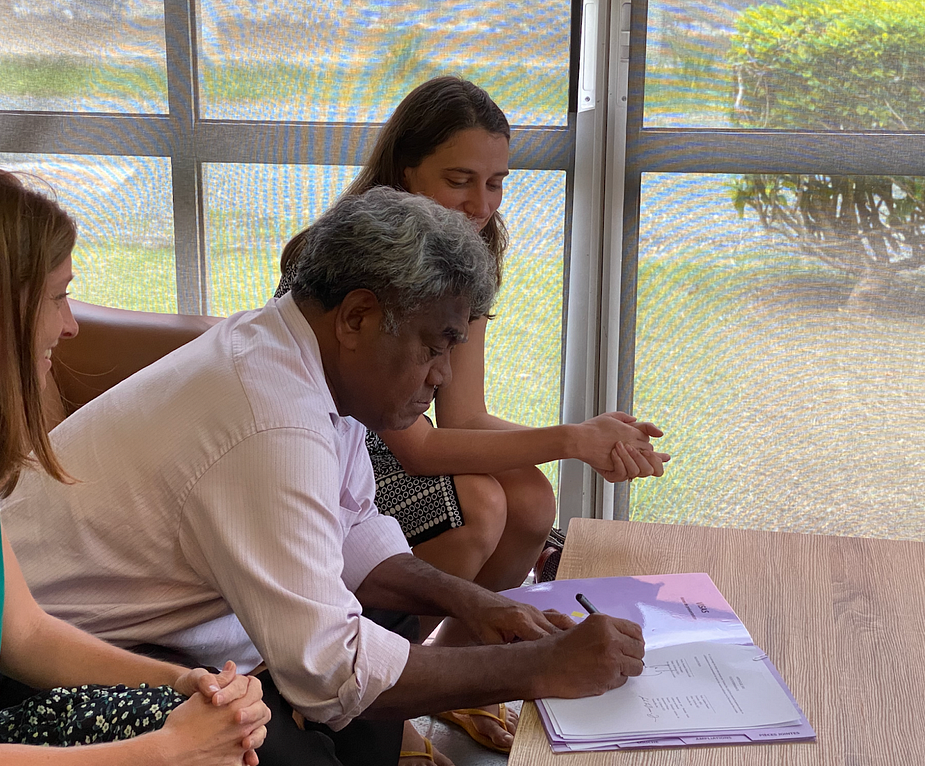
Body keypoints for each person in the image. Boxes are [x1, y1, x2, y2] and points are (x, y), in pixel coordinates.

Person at [2, 187, 647, 766]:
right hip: (47, 660)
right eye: (436, 344)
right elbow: (333, 672)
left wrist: (475, 604)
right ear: (358, 317)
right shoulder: (271, 421)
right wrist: (539, 668)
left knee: (382, 627)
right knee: (304, 729)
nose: (443, 374)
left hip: (144, 635)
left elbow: (356, 532)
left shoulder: (296, 359)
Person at [275, 76, 668, 757]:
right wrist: (573, 440)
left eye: (497, 183)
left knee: (531, 496)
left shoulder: (470, 249)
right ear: (404, 172)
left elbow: (465, 414)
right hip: (334, 447)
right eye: (460, 180)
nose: (480, 205)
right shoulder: (358, 258)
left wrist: (586, 442)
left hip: (394, 441)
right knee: (481, 505)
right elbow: (419, 446)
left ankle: (461, 679)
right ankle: (387, 704)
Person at [0, 166, 270, 766]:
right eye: (57, 297)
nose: (69, 325)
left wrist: (182, 685)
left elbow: (26, 635)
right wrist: (169, 750)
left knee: (223, 731)